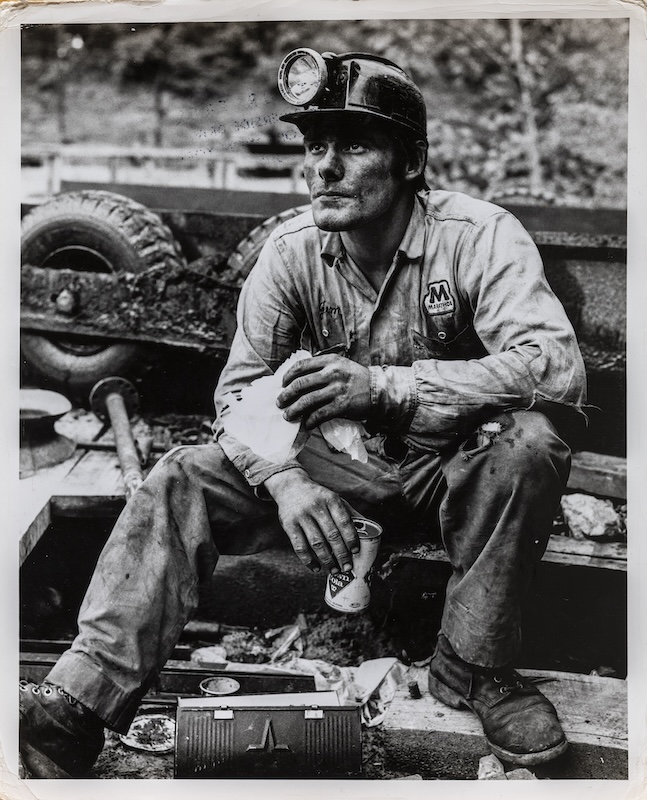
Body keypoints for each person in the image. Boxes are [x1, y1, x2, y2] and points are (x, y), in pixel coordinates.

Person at [19, 48, 587, 778]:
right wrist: (285, 479)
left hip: (451, 472)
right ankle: (76, 705)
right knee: (183, 475)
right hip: (336, 476)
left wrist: (385, 387)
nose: (323, 166)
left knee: (528, 444)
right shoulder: (290, 253)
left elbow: (555, 368)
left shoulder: (478, 236)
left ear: (411, 162)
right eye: (315, 146)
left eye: (352, 145)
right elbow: (236, 393)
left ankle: (472, 666)